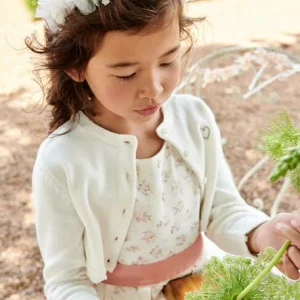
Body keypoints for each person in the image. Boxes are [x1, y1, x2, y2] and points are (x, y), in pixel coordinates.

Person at [27, 0, 300, 299]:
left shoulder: (194, 119)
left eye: (168, 61)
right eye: (127, 74)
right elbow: (66, 281)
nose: (154, 89)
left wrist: (262, 234)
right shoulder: (63, 160)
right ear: (76, 67)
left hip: (206, 283)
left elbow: (222, 210)